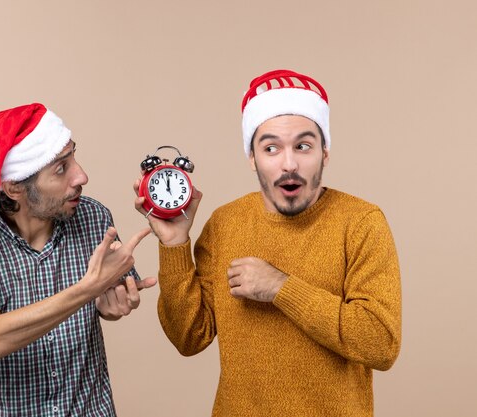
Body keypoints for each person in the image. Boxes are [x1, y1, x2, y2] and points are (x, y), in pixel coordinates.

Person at [134, 69, 401, 416]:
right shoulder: (225, 224)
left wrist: (281, 288)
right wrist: (174, 245)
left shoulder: (362, 222)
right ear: (252, 158)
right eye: (271, 148)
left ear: (325, 152)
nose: (289, 163)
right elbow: (189, 337)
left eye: (303, 146)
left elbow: (380, 343)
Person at [0, 103, 156, 417]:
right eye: (60, 168)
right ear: (14, 187)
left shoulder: (93, 216)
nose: (81, 175)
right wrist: (86, 290)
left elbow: (111, 295)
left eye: (73, 158)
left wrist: (113, 302)